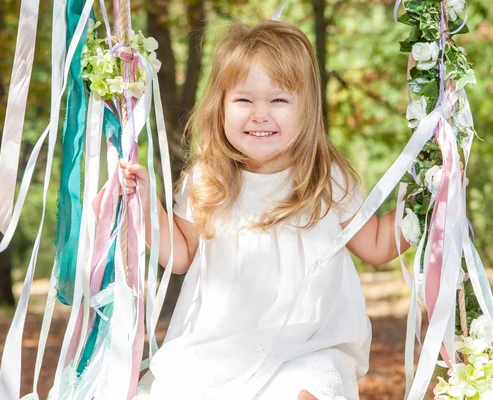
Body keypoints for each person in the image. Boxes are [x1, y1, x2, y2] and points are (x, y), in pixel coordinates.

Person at [122, 20, 411, 400]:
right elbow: (179, 256)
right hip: (219, 348)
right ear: (220, 105)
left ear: (305, 108)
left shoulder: (325, 177)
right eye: (244, 100)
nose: (260, 114)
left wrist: (431, 205)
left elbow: (376, 245)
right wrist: (145, 206)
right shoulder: (207, 178)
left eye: (278, 100)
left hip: (310, 345)